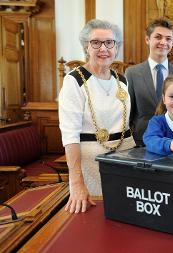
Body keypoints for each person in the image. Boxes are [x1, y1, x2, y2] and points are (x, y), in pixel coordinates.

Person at [59, 19, 135, 213]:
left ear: (116, 47)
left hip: (126, 161)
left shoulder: (122, 80)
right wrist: (76, 182)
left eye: (109, 42)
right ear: (86, 46)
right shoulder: (74, 81)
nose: (104, 48)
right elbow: (70, 136)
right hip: (92, 166)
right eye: (96, 43)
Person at [125, 18, 173, 146]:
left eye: (168, 38)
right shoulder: (132, 73)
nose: (163, 42)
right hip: (141, 140)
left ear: (172, 42)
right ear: (147, 39)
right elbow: (128, 112)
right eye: (158, 37)